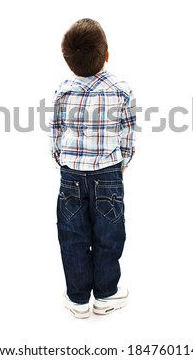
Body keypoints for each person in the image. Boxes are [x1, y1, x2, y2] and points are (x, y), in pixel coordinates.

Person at [49, 18, 136, 318]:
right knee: (109, 233)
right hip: (108, 174)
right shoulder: (121, 89)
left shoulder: (63, 91)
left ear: (68, 61)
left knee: (72, 234)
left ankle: (77, 299)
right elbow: (128, 133)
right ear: (107, 54)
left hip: (70, 174)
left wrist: (62, 159)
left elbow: (56, 133)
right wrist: (122, 162)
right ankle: (106, 293)